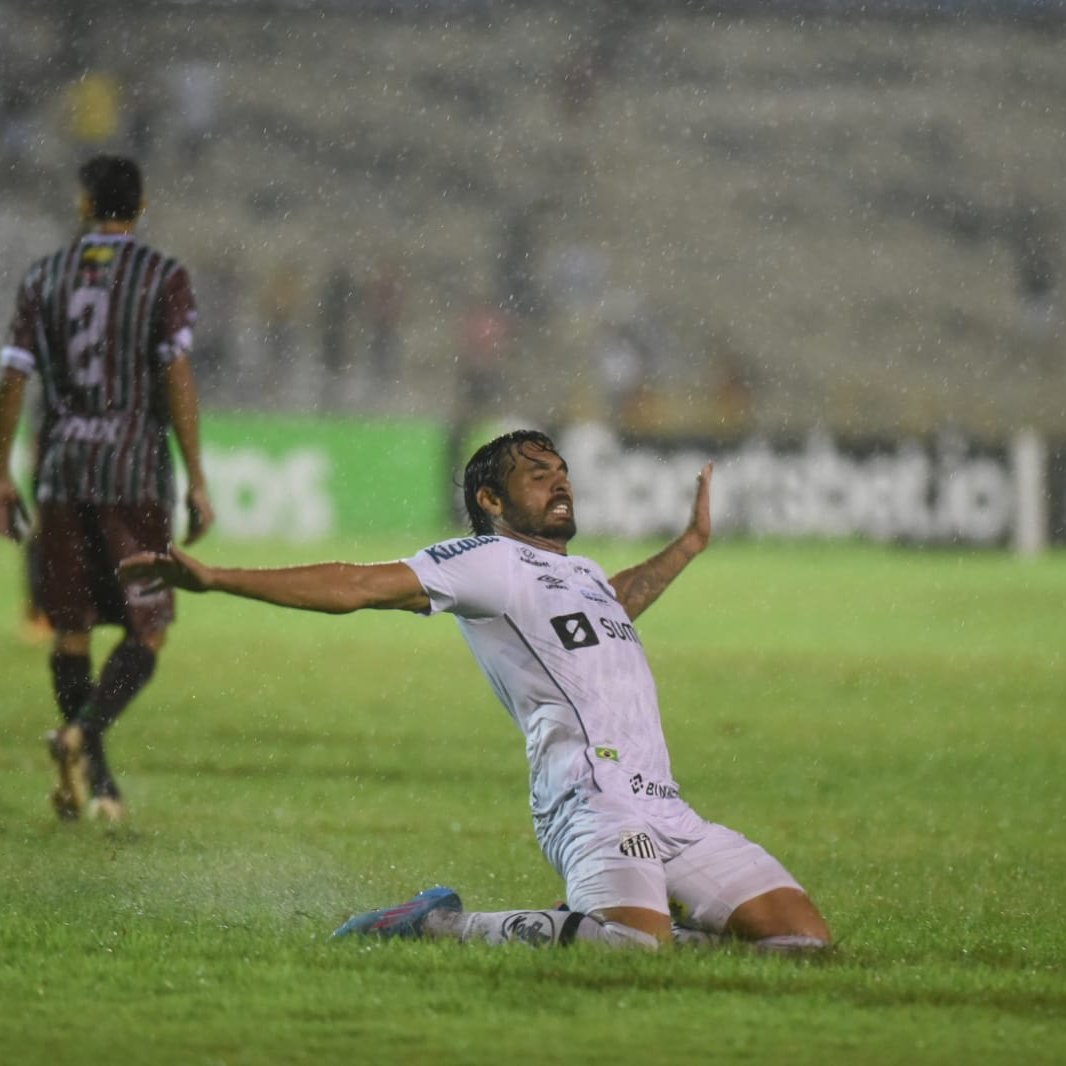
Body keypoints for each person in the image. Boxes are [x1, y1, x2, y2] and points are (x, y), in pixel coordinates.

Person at [118, 430, 829, 953]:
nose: (560, 483)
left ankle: (597, 926)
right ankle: (435, 924)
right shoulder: (487, 561)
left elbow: (612, 603)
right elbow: (356, 585)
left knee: (803, 950)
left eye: (562, 471)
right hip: (593, 801)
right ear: (491, 500)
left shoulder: (577, 572)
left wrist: (689, 546)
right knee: (636, 953)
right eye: (537, 474)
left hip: (666, 805)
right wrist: (217, 579)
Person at [0, 154, 215, 824]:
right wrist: (198, 477)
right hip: (133, 475)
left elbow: (14, 376)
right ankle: (82, 740)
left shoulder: (45, 275)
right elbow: (174, 372)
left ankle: (97, 783)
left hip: (63, 472)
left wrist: (0, 469)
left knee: (71, 630)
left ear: (84, 201)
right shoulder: (162, 276)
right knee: (147, 630)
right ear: (141, 205)